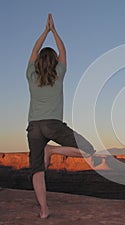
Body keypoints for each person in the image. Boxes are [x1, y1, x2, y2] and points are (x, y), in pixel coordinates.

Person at [26, 14, 96, 219]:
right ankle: (53, 150)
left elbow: (33, 50)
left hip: (33, 128)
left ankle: (44, 211)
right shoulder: (59, 74)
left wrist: (44, 32)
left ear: (38, 62)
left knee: (37, 170)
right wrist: (54, 31)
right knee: (88, 150)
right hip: (53, 125)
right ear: (55, 61)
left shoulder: (30, 75)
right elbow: (63, 51)